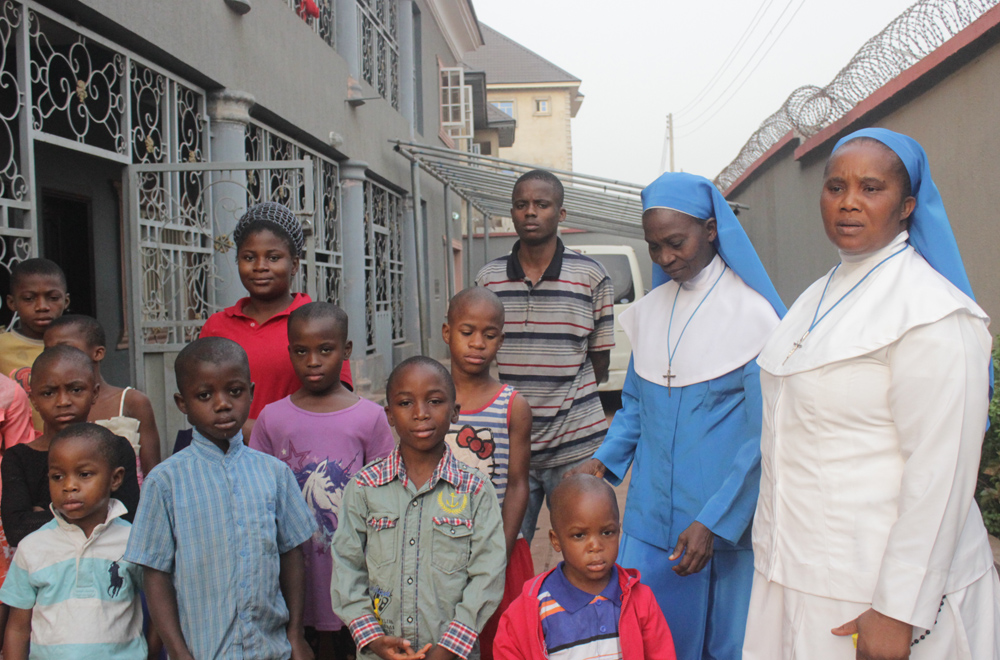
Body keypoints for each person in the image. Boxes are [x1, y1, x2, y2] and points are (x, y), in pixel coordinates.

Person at [744, 128, 1000, 660]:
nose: (849, 202)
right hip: (799, 575)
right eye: (835, 187)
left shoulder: (933, 315)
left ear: (907, 206)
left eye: (871, 188)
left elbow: (942, 474)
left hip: (883, 595)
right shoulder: (816, 297)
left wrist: (897, 610)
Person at [572, 172, 784, 660]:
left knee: (722, 645)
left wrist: (713, 521)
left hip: (720, 524)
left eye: (676, 243)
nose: (666, 258)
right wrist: (602, 463)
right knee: (650, 641)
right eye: (654, 247)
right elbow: (635, 407)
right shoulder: (650, 312)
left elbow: (764, 439)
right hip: (649, 519)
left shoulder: (752, 316)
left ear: (711, 229)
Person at [124, 337, 316, 660]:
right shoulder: (165, 482)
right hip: (203, 652)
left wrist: (295, 633)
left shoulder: (274, 473)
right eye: (204, 395)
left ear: (251, 393)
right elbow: (154, 573)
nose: (223, 404)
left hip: (271, 650)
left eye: (235, 391)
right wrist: (178, 651)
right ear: (182, 403)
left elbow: (292, 554)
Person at [331, 356, 506, 660]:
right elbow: (347, 568)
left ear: (454, 411)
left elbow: (487, 574)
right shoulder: (363, 487)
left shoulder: (475, 489)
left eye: (434, 401)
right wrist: (372, 639)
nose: (421, 414)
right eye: (405, 403)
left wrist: (451, 646)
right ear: (389, 414)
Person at [475, 170, 615, 543]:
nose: (530, 213)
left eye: (542, 204)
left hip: (576, 446)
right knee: (498, 551)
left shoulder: (591, 276)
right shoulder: (488, 280)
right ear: (512, 212)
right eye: (521, 205)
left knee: (584, 553)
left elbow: (598, 362)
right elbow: (478, 362)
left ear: (561, 213)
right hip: (507, 445)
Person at [250, 302, 395, 658]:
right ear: (290, 353)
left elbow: (387, 494)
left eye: (325, 350)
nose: (313, 361)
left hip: (355, 576)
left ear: (345, 351)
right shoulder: (272, 419)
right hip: (293, 576)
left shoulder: (370, 418)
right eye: (301, 351)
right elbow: (259, 497)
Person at [200, 202, 352, 438]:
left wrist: (268, 432)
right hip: (230, 456)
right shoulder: (217, 326)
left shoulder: (318, 324)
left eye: (273, 257)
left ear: (293, 265)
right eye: (249, 257)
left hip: (303, 451)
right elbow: (201, 399)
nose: (260, 267)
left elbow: (339, 399)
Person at [0, 423, 146, 659]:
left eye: (84, 474)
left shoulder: (133, 541)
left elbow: (161, 608)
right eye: (57, 477)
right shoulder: (33, 547)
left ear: (115, 478)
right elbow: (17, 629)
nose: (69, 486)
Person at [442, 287, 533, 660]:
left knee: (502, 643)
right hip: (441, 550)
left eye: (489, 334)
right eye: (467, 332)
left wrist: (500, 552)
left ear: (501, 338)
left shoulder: (512, 405)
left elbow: (517, 485)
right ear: (448, 332)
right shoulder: (428, 399)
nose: (477, 343)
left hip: (500, 550)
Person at [493, 474, 676, 660]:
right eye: (579, 535)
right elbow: (508, 650)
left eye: (607, 532)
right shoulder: (534, 608)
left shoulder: (638, 600)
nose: (596, 546)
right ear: (556, 541)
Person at [1, 345, 140, 548]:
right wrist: (98, 509)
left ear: (94, 393)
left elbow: (128, 517)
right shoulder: (19, 458)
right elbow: (17, 530)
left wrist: (43, 513)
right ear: (34, 401)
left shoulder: (116, 448)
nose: (63, 401)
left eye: (75, 390)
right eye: (48, 393)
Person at [44, 314, 162, 482]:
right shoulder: (58, 407)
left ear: (98, 353)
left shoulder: (132, 401)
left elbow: (153, 471)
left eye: (67, 348)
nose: (58, 357)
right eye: (50, 351)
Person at [0, 258, 70, 431]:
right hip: (15, 448)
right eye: (29, 298)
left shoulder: (76, 345)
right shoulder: (2, 347)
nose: (42, 306)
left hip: (71, 447)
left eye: (52, 298)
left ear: (66, 301)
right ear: (12, 303)